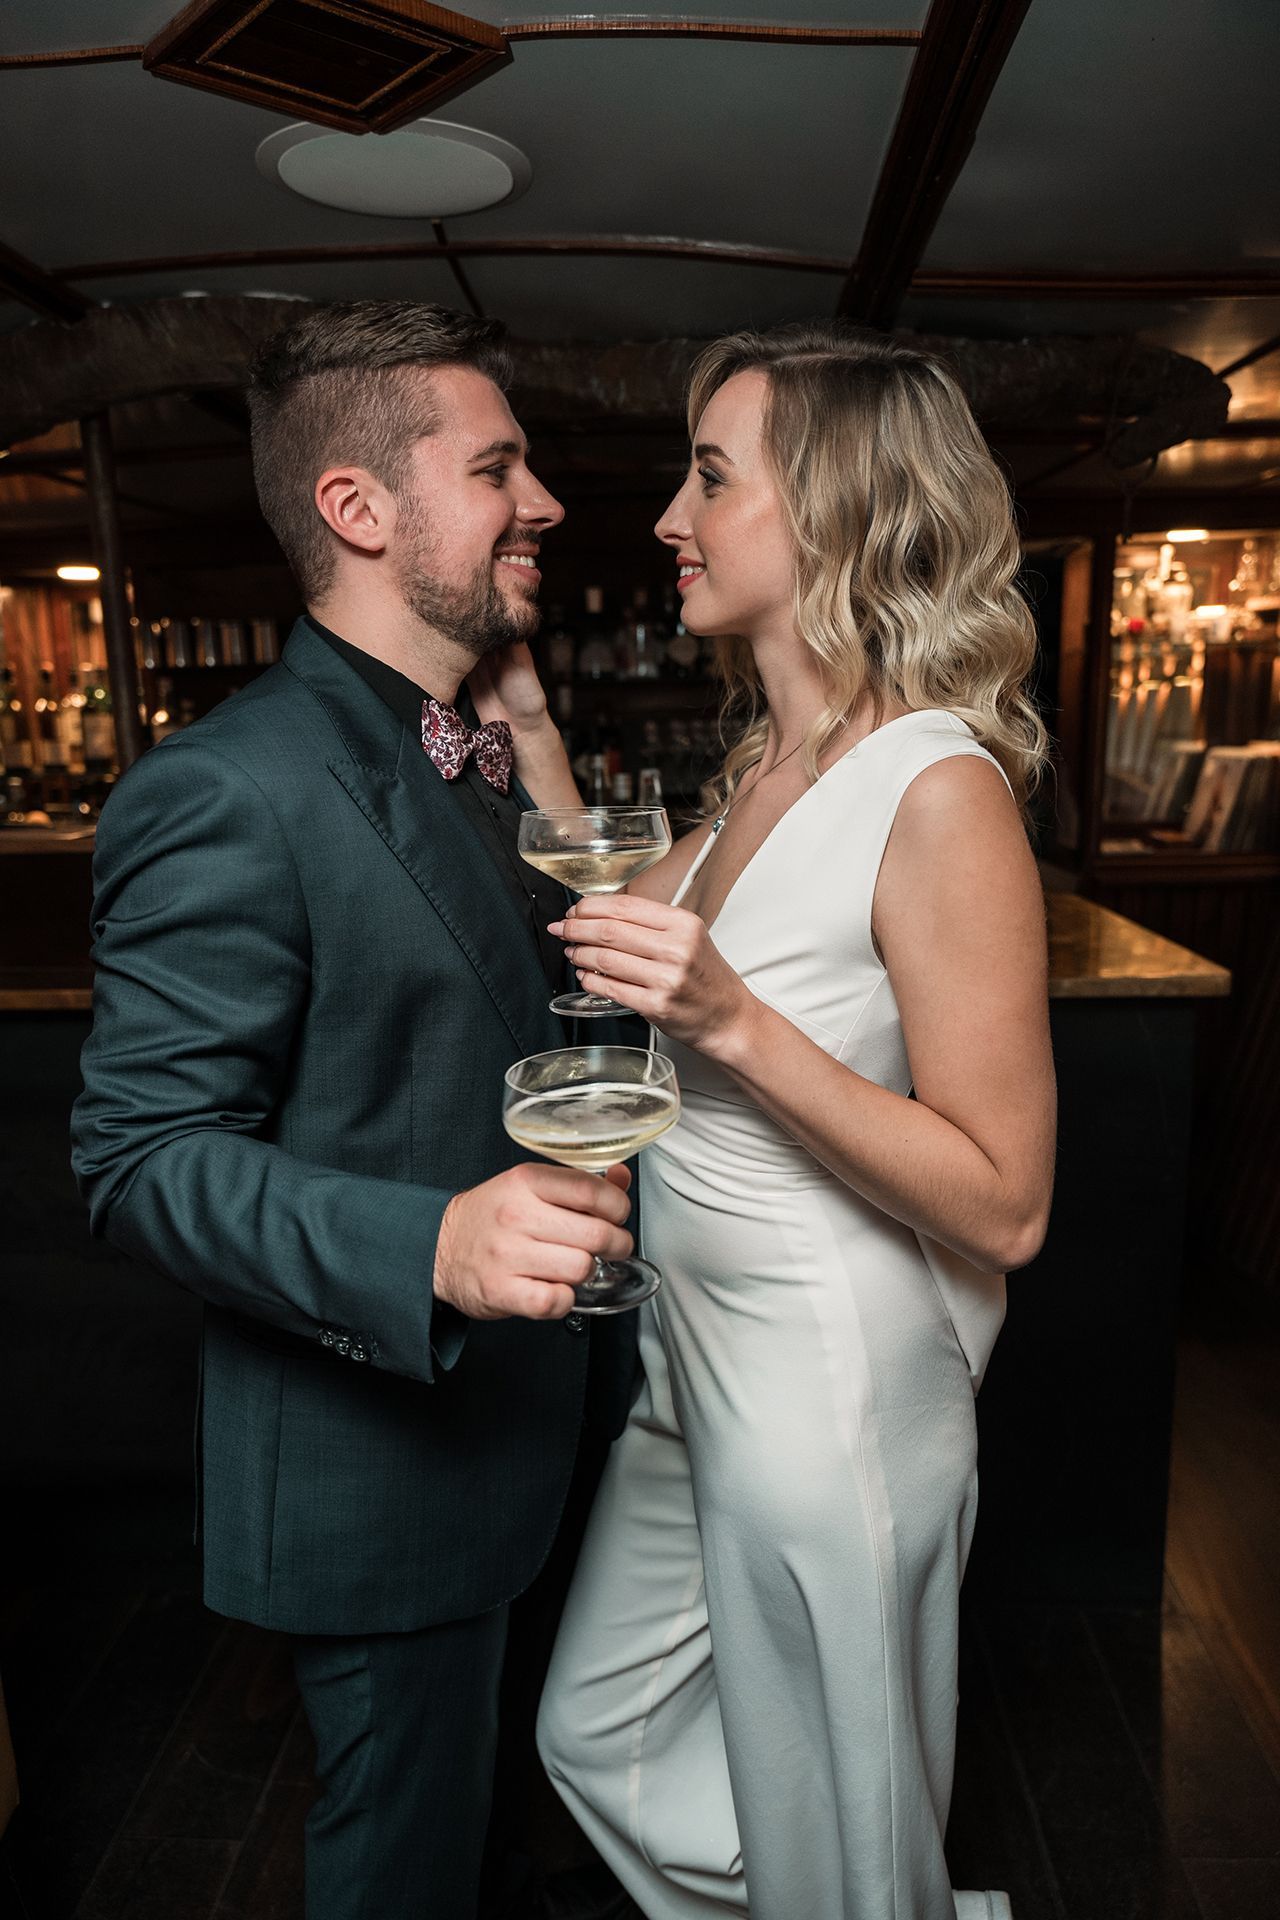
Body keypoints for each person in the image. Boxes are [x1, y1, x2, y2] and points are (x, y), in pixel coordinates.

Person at [70, 301, 640, 1920]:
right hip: (381, 1467)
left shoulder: (456, 748)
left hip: (529, 1433)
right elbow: (137, 1160)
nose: (540, 506)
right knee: (400, 1870)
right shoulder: (228, 788)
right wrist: (434, 1245)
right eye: (498, 470)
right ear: (359, 509)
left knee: (493, 1846)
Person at [536, 324, 1058, 1920]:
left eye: (710, 477)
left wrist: (731, 1028)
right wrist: (520, 718)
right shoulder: (764, 760)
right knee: (596, 1732)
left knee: (839, 1826)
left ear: (832, 510)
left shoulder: (935, 786)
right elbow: (655, 913)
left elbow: (1007, 1204)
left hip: (829, 1389)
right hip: (696, 1360)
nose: (669, 521)